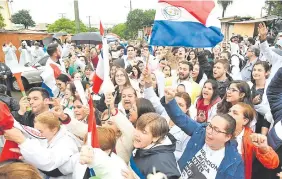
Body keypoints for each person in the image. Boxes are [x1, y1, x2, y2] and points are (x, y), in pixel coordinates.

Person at [161, 88, 244, 179]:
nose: (209, 132)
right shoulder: (200, 132)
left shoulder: (235, 162)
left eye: (216, 130)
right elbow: (181, 118)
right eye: (210, 126)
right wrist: (169, 100)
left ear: (227, 137)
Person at [4, 111, 80, 179]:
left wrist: (23, 141)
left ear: (54, 129)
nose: (38, 133)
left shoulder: (66, 143)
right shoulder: (49, 136)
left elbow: (49, 163)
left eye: (40, 131)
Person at [228, 103, 279, 179]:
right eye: (229, 111)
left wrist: (264, 149)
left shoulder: (251, 138)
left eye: (235, 113)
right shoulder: (219, 129)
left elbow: (273, 163)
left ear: (245, 121)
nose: (229, 114)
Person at [131, 113, 181, 179]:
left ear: (156, 137)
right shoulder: (145, 146)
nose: (136, 134)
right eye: (137, 128)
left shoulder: (162, 162)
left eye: (144, 132)